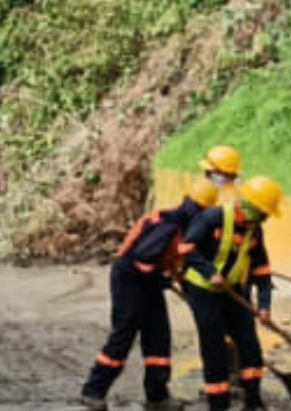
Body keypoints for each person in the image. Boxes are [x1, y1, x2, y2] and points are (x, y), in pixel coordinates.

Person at [78, 176, 219, 411]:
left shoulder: (184, 227)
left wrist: (182, 283)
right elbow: (144, 258)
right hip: (130, 279)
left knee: (158, 337)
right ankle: (93, 391)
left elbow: (176, 262)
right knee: (123, 335)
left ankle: (157, 397)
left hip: (150, 281)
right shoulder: (168, 224)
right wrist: (164, 277)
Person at [181, 174, 284, 411]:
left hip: (234, 290)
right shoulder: (212, 218)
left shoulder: (255, 231)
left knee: (249, 344)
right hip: (203, 290)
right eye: (263, 213)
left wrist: (265, 306)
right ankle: (219, 404)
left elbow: (262, 270)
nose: (265, 219)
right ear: (251, 207)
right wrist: (209, 273)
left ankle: (253, 400)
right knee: (214, 346)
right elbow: (186, 248)